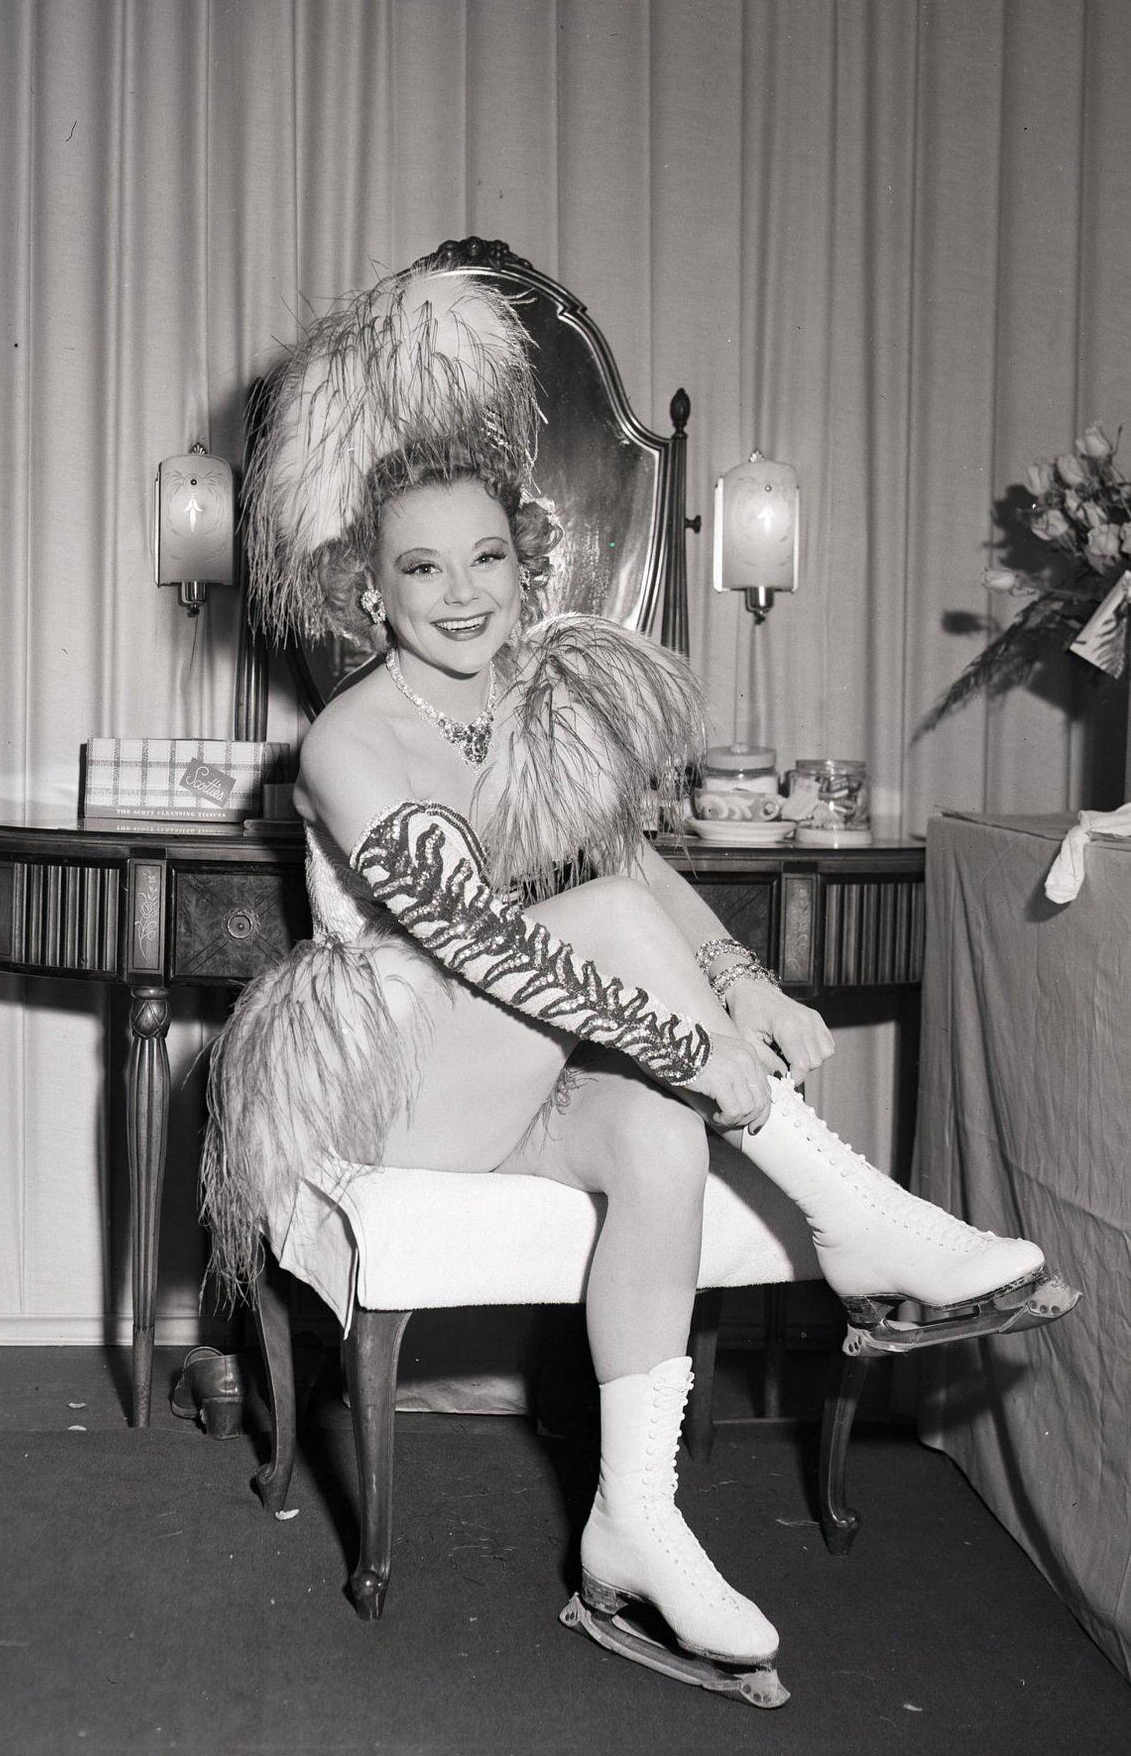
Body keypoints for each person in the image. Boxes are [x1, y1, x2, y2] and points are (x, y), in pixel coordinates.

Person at [202, 265, 1077, 1710]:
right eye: (423, 570)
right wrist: (703, 1039)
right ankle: (855, 1218)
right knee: (636, 990)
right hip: (390, 1076)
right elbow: (485, 943)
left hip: (517, 1059)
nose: (462, 595)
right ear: (371, 588)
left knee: (662, 1135)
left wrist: (746, 985)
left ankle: (635, 1520)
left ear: (524, 563)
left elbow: (627, 864)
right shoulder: (352, 744)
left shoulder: (537, 694)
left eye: (486, 560)